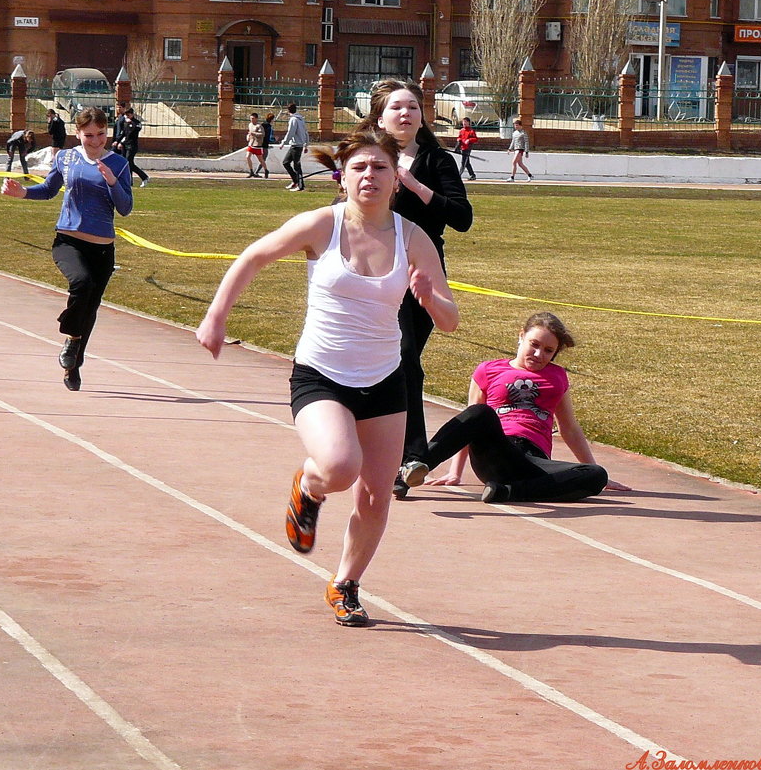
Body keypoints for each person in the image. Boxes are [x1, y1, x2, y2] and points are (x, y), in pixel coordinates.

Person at [195, 130, 458, 626]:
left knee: (377, 495)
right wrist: (216, 315)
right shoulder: (322, 225)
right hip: (322, 374)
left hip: (385, 380)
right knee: (339, 466)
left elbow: (450, 320)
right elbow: (254, 256)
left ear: (396, 178)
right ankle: (310, 485)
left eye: (380, 168)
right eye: (359, 168)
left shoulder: (412, 237)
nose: (369, 177)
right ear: (343, 175)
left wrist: (429, 297)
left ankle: (345, 584)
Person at [360, 78, 473, 499]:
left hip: (422, 273)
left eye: (412, 107)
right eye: (396, 108)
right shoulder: (367, 159)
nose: (405, 114)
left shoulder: (437, 160)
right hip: (373, 271)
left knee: (405, 355)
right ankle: (403, 455)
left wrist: (413, 184)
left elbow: (462, 218)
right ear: (379, 116)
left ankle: (407, 457)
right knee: (391, 358)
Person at [401, 312, 631, 502]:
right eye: (534, 344)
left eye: (549, 351)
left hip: (533, 462)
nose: (539, 354)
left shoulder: (557, 376)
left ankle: (506, 492)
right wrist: (455, 472)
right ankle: (411, 470)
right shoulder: (488, 370)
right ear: (521, 337)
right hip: (495, 451)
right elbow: (466, 423)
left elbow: (569, 428)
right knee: (481, 413)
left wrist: (590, 465)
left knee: (596, 475)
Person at [0, 107, 133, 392]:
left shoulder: (119, 164)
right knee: (81, 284)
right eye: (89, 135)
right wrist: (22, 193)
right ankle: (71, 337)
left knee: (90, 308)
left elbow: (125, 208)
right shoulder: (66, 157)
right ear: (77, 133)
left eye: (101, 134)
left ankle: (73, 362)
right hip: (68, 241)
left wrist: (111, 180)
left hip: (102, 249)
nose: (96, 141)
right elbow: (49, 189)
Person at [278, 102, 309, 191]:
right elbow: (306, 132)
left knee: (296, 166)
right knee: (286, 162)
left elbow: (290, 132)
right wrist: (306, 144)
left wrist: (283, 143)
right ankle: (295, 181)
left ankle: (300, 186)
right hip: (297, 145)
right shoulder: (301, 119)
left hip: (296, 145)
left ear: (288, 111)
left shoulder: (293, 120)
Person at [120, 107, 149, 188]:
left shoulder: (137, 123)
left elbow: (134, 131)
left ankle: (144, 177)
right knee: (127, 163)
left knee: (129, 162)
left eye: (128, 115)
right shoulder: (125, 122)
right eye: (126, 115)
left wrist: (131, 123)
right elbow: (124, 134)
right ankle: (130, 182)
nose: (127, 116)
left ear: (132, 114)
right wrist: (118, 142)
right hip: (125, 144)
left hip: (132, 146)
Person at [245, 112, 268, 178]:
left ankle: (266, 170)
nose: (251, 120)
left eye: (253, 118)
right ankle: (251, 171)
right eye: (250, 118)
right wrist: (248, 136)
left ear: (256, 118)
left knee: (260, 159)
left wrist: (254, 133)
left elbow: (262, 134)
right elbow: (249, 132)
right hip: (251, 144)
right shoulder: (250, 125)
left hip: (257, 145)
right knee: (247, 157)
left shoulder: (259, 126)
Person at [456, 116, 478, 181]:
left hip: (467, 148)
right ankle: (472, 175)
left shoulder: (471, 131)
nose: (464, 123)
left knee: (463, 162)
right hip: (462, 148)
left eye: (465, 122)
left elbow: (475, 139)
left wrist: (469, 140)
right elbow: (459, 137)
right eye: (463, 122)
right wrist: (458, 140)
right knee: (467, 163)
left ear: (468, 123)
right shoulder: (461, 131)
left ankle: (458, 175)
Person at [253, 112, 275, 178]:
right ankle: (257, 172)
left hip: (260, 144)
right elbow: (268, 137)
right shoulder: (268, 127)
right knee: (263, 159)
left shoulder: (262, 125)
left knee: (262, 159)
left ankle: (257, 172)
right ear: (271, 119)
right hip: (264, 145)